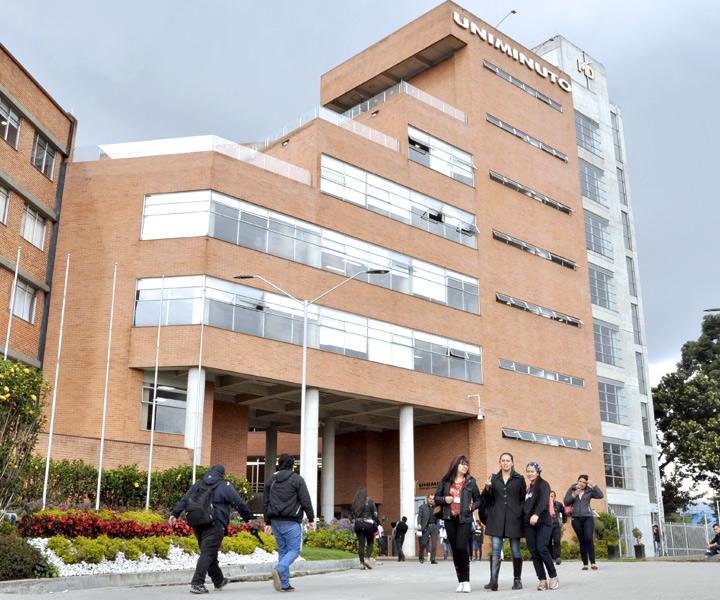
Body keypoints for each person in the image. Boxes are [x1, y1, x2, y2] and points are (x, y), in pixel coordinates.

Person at [169, 464, 253, 595]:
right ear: (222, 475)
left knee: (209, 552)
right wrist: (248, 518)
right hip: (215, 523)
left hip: (197, 524)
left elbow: (185, 500)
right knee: (208, 553)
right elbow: (238, 503)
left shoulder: (198, 484)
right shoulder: (225, 486)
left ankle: (218, 580)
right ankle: (197, 583)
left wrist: (175, 513)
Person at [264, 453, 315, 592]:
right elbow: (305, 501)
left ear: (279, 464)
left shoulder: (271, 480)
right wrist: (311, 519)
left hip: (275, 521)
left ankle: (285, 584)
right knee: (294, 550)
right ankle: (279, 569)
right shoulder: (297, 480)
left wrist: (267, 522)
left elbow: (266, 502)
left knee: (283, 551)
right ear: (293, 465)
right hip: (291, 521)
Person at [434, 455, 483, 593]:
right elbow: (436, 497)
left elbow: (478, 500)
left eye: (467, 464)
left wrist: (471, 507)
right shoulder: (445, 481)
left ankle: (467, 581)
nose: (465, 466)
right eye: (463, 464)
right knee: (455, 550)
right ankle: (460, 581)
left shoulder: (470, 482)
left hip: (465, 519)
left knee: (462, 548)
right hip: (450, 519)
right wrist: (445, 499)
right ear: (455, 465)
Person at [481, 452, 525, 591]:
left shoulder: (519, 478)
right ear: (499, 463)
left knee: (515, 550)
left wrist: (520, 514)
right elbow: (487, 499)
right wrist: (487, 488)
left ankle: (517, 580)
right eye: (503, 460)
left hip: (514, 518)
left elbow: (523, 499)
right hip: (497, 518)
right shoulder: (494, 478)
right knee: (495, 549)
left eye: (508, 460)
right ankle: (493, 581)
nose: (505, 463)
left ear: (512, 462)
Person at [523, 462, 559, 591]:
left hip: (543, 521)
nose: (530, 473)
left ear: (538, 472)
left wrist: (537, 514)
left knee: (542, 548)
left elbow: (544, 501)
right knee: (534, 552)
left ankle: (553, 576)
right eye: (528, 471)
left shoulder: (543, 484)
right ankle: (542, 579)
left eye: (532, 471)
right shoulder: (528, 487)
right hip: (529, 523)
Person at [564, 474, 604, 571]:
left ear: (586, 484)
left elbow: (600, 495)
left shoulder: (589, 491)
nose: (581, 484)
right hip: (576, 518)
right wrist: (575, 494)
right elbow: (566, 501)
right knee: (582, 541)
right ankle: (585, 564)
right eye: (580, 481)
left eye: (584, 482)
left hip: (588, 517)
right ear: (577, 481)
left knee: (589, 539)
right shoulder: (572, 489)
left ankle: (593, 563)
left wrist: (593, 485)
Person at [351, 486, 378, 570]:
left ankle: (361, 563)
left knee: (361, 544)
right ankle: (367, 559)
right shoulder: (370, 501)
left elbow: (353, 514)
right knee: (370, 542)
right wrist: (375, 521)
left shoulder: (355, 502)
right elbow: (375, 514)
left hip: (358, 524)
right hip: (368, 524)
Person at [417, 494, 439, 564]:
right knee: (423, 543)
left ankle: (433, 559)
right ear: (427, 499)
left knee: (434, 544)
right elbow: (419, 516)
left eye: (432, 499)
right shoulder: (422, 507)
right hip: (426, 527)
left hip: (434, 527)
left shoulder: (436, 507)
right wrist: (419, 524)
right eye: (430, 498)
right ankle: (421, 556)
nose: (431, 500)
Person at [548, 490, 567, 565]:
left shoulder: (558, 504)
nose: (551, 498)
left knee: (556, 541)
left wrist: (563, 522)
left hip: (556, 525)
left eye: (552, 496)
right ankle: (551, 558)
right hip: (547, 526)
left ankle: (558, 557)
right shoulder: (545, 505)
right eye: (549, 496)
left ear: (555, 497)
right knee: (548, 542)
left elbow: (564, 513)